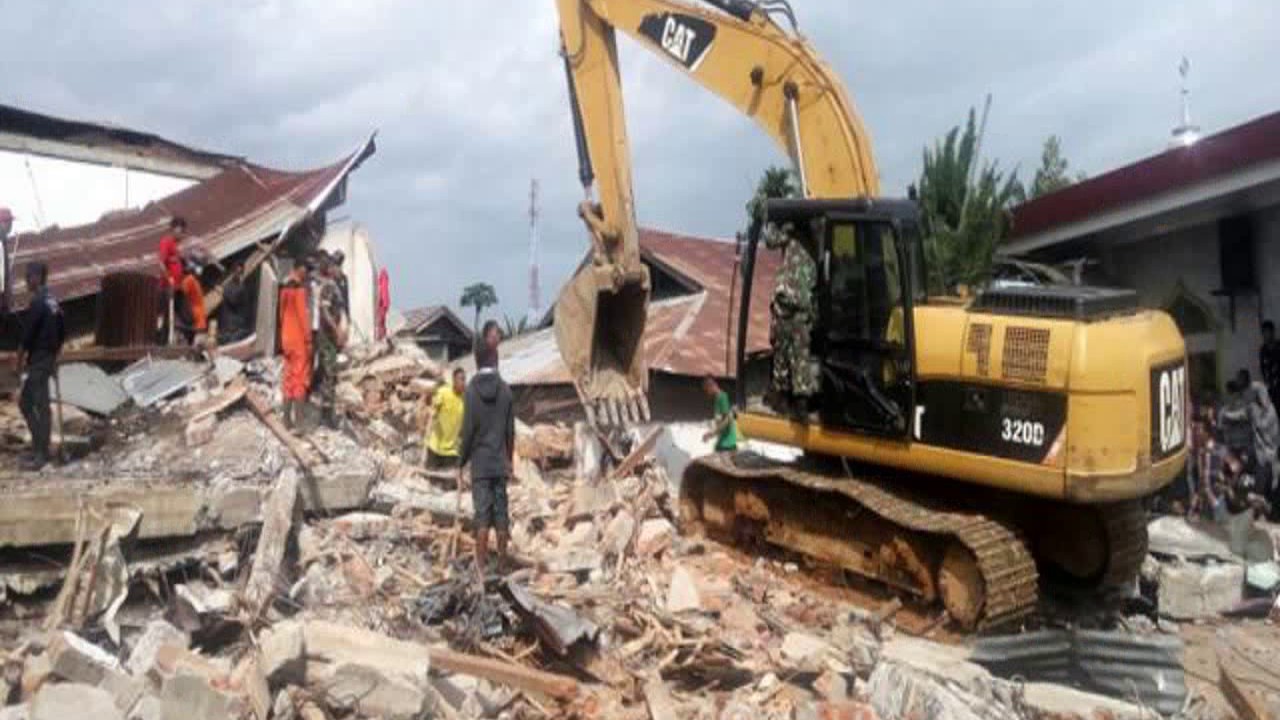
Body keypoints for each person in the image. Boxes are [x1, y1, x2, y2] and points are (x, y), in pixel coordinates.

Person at [458, 341, 516, 577]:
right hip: (499, 462)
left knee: (481, 515)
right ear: (495, 359)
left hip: (480, 464)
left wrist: (461, 462)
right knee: (501, 513)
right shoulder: (505, 390)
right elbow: (510, 431)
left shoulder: (471, 391)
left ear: (477, 360)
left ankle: (481, 567)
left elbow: (468, 430)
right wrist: (509, 459)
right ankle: (502, 565)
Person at [15, 262, 65, 470]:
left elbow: (27, 337)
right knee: (33, 403)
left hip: (39, 359)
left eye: (28, 277)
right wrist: (54, 357)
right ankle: (39, 449)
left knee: (35, 404)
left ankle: (41, 454)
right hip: (47, 358)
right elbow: (63, 332)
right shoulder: (53, 301)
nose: (26, 281)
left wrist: (19, 362)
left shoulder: (38, 303)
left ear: (37, 277)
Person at [767, 222, 818, 412]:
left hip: (787, 304)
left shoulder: (790, 234)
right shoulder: (816, 242)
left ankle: (781, 395)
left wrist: (772, 220)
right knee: (800, 354)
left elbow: (770, 239)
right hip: (803, 308)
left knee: (781, 349)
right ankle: (801, 402)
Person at [312, 255, 346, 429]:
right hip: (327, 336)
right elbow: (324, 310)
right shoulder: (328, 286)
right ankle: (326, 415)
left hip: (330, 336)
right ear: (331, 268)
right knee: (328, 372)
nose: (340, 270)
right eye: (337, 267)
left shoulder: (335, 286)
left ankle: (326, 410)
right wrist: (336, 329)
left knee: (328, 372)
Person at [278, 262, 312, 430]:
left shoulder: (284, 290)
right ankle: (299, 422)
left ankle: (286, 420)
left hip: (286, 338)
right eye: (306, 270)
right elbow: (304, 319)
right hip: (299, 340)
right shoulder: (299, 291)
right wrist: (308, 340)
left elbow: (281, 315)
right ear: (301, 269)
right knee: (300, 378)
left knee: (288, 378)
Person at [423, 368, 467, 470]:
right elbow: (432, 417)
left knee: (448, 484)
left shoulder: (465, 399)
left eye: (464, 379)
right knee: (430, 482)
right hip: (435, 447)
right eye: (461, 379)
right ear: (454, 380)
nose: (463, 383)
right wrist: (425, 445)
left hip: (451, 451)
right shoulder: (443, 393)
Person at [217, 262, 252, 344]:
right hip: (231, 328)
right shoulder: (229, 287)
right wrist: (241, 286)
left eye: (241, 272)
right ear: (233, 272)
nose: (239, 275)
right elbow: (233, 300)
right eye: (237, 272)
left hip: (240, 326)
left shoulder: (242, 286)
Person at [701, 376, 738, 452]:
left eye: (706, 390)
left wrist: (711, 434)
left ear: (711, 386)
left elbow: (727, 420)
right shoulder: (717, 399)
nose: (707, 393)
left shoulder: (722, 397)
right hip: (723, 442)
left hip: (727, 444)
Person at [177, 260, 208, 346]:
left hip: (194, 323)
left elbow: (179, 294)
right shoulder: (195, 281)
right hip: (199, 323)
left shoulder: (189, 280)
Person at [1261, 321, 1280, 408]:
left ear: (1272, 332)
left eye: (1267, 332)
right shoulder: (1263, 350)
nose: (1266, 335)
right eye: (1264, 332)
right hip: (1270, 389)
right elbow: (1263, 368)